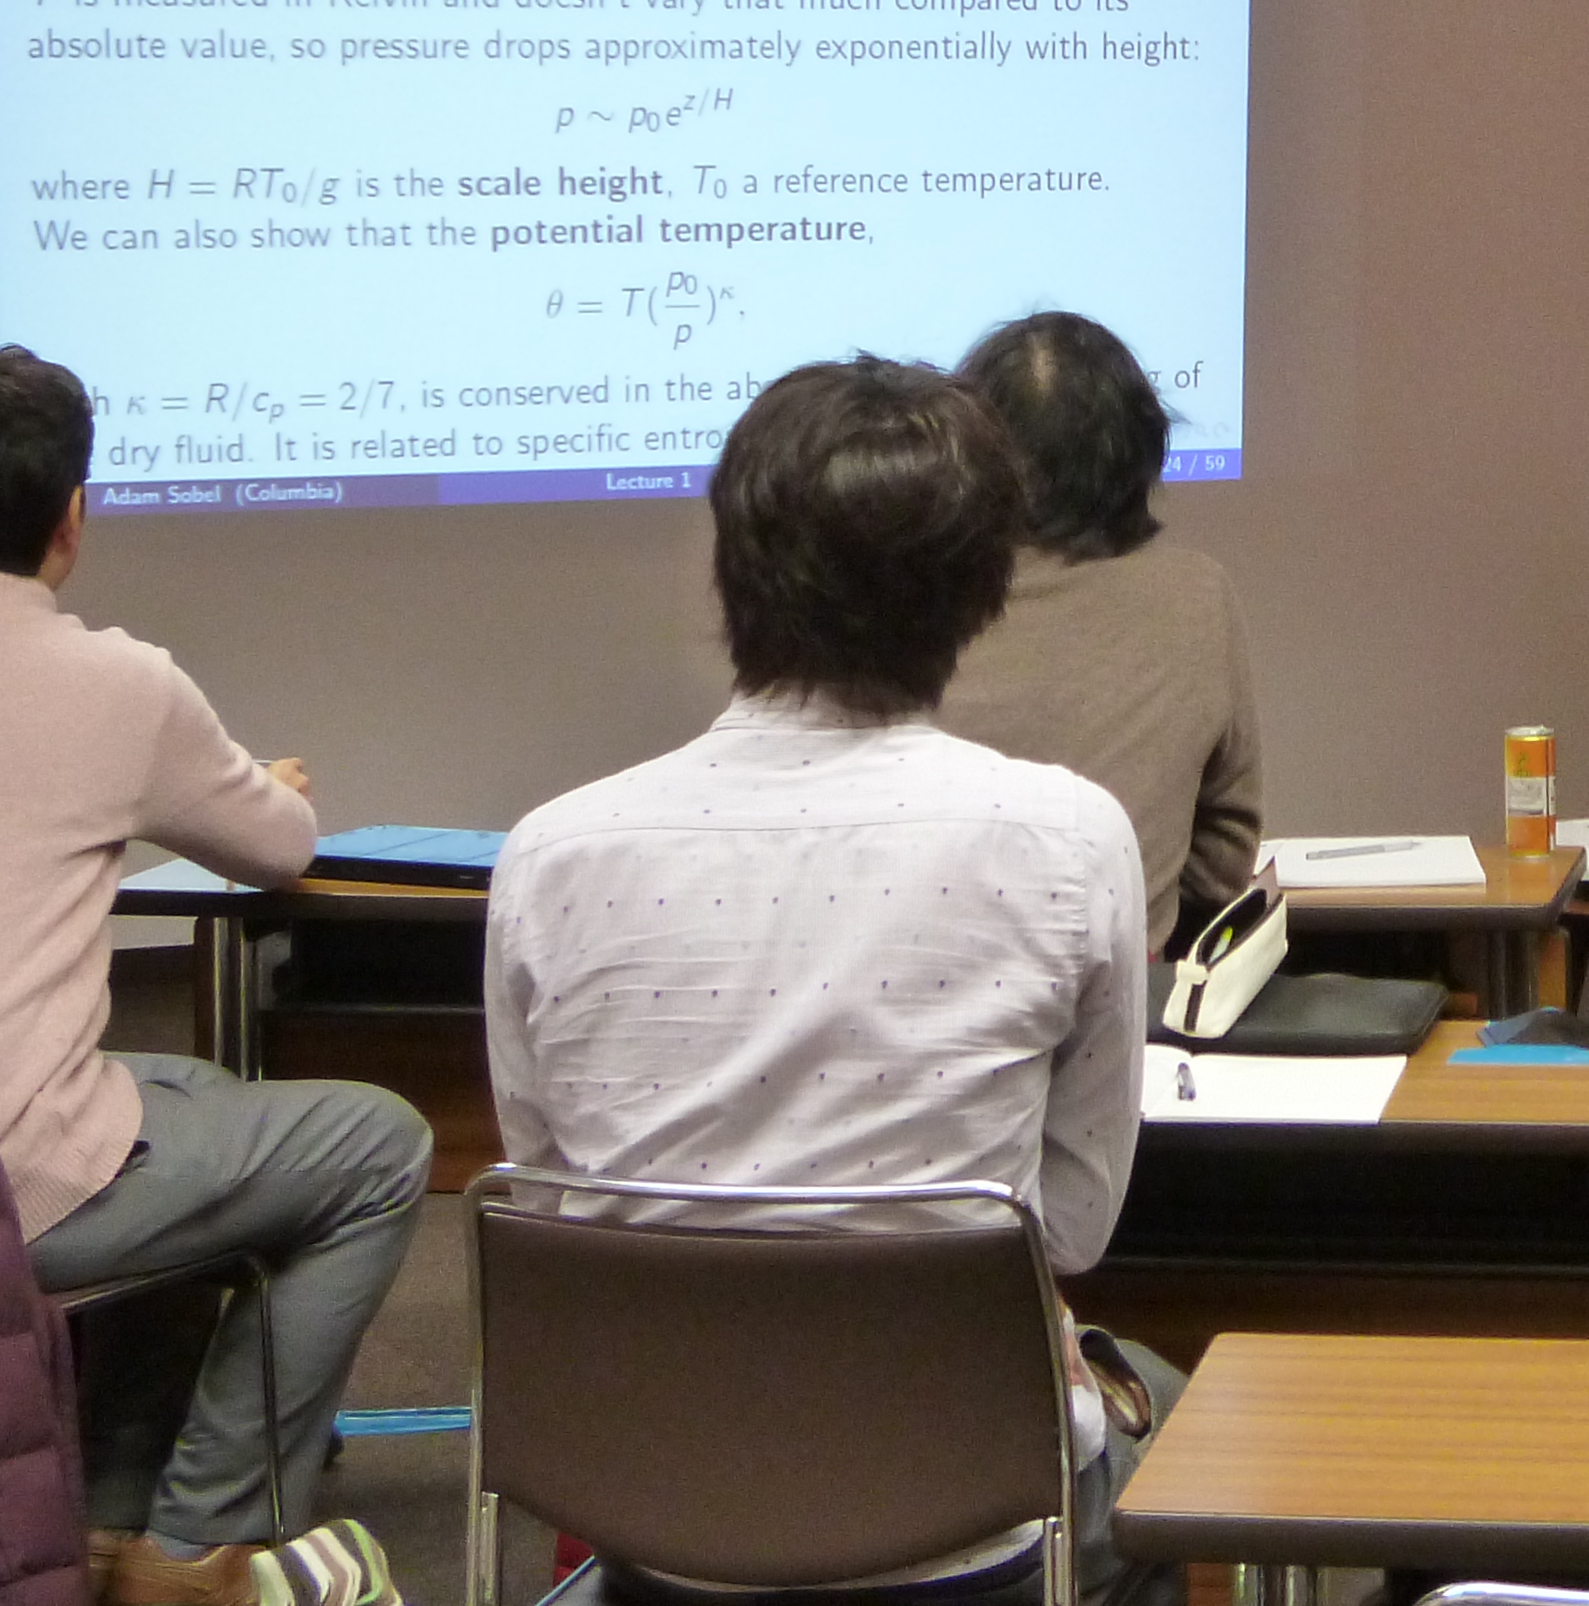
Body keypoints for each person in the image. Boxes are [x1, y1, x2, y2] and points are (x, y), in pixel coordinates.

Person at [0, 347, 428, 1606]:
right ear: (71, 519)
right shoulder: (119, 683)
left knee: (190, 1102)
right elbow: (278, 848)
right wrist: (263, 785)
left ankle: (105, 1515)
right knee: (375, 1145)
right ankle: (200, 1545)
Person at [485, 358, 1171, 1605]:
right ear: (983, 589)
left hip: (655, 1525)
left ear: (731, 566)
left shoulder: (550, 854)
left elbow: (556, 1199)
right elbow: (1071, 1229)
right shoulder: (1066, 838)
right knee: (1159, 1421)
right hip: (965, 1523)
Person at [935, 311, 1262, 953]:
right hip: (1122, 992)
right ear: (1142, 452)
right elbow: (1222, 862)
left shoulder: (899, 600)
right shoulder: (1196, 595)